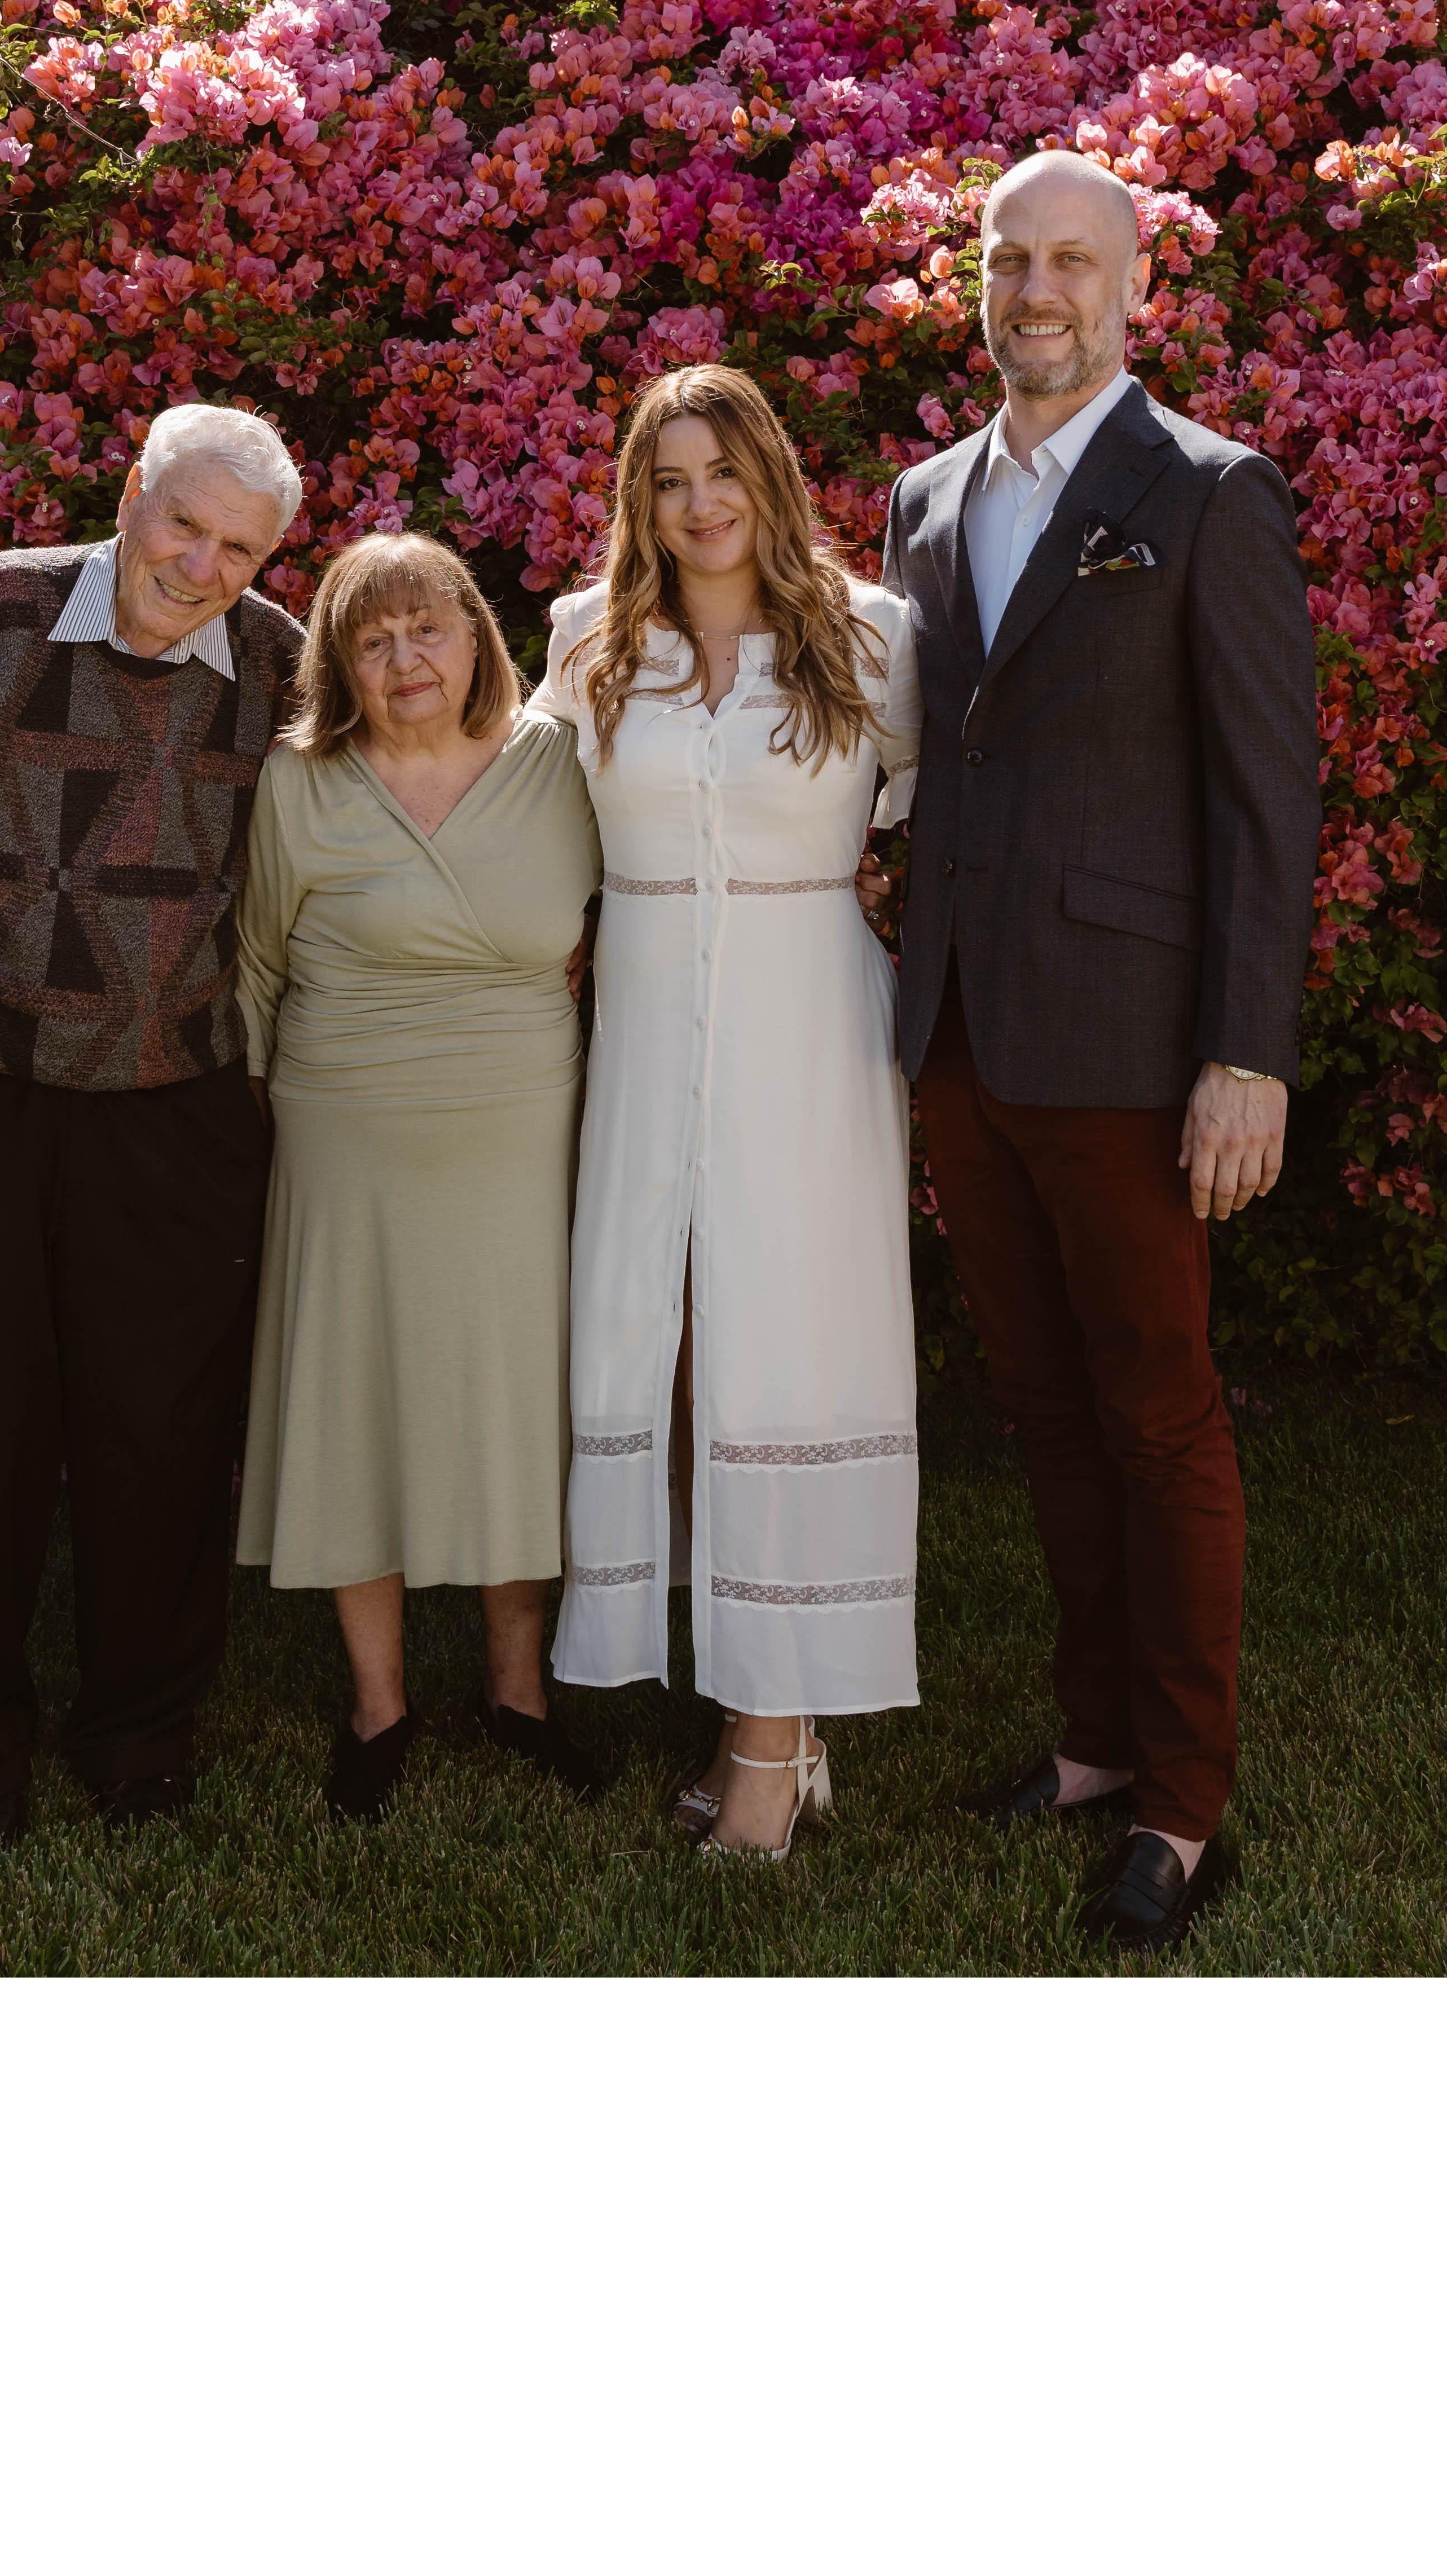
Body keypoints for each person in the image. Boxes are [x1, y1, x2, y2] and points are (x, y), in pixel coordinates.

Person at [882, 150, 1321, 1955]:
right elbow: (930, 746)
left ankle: (1182, 1798)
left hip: (1138, 1044)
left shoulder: (1206, 491)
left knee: (1159, 1413)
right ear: (974, 283)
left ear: (1134, 289)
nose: (1035, 288)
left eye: (1072, 260)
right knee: (1046, 1409)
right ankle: (1084, 1743)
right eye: (1008, 259)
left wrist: (1246, 1052)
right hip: (960, 1040)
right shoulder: (921, 496)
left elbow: (1261, 794)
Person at [0, 403, 306, 1847]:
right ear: (131, 495)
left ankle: (140, 1743)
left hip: (178, 1106)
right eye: (185, 526)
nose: (203, 566)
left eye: (241, 548)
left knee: (162, 1436)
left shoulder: (278, 669)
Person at [533, 363, 923, 1859]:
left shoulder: (871, 636)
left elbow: (950, 809)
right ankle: (752, 1700)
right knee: (654, 1336)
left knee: (785, 1350)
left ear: (769, 476)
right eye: (665, 477)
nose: (697, 505)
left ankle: (771, 1731)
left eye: (722, 472)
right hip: (637, 1021)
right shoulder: (586, 642)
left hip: (804, 1022)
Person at [234, 534, 604, 1821]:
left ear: (476, 635)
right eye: (373, 640)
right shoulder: (300, 783)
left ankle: (519, 1691)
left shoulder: (557, 767)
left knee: (513, 1402)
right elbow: (257, 970)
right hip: (348, 1132)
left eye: (427, 628)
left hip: (521, 1133)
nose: (405, 660)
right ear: (340, 661)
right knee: (359, 1395)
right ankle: (377, 1705)